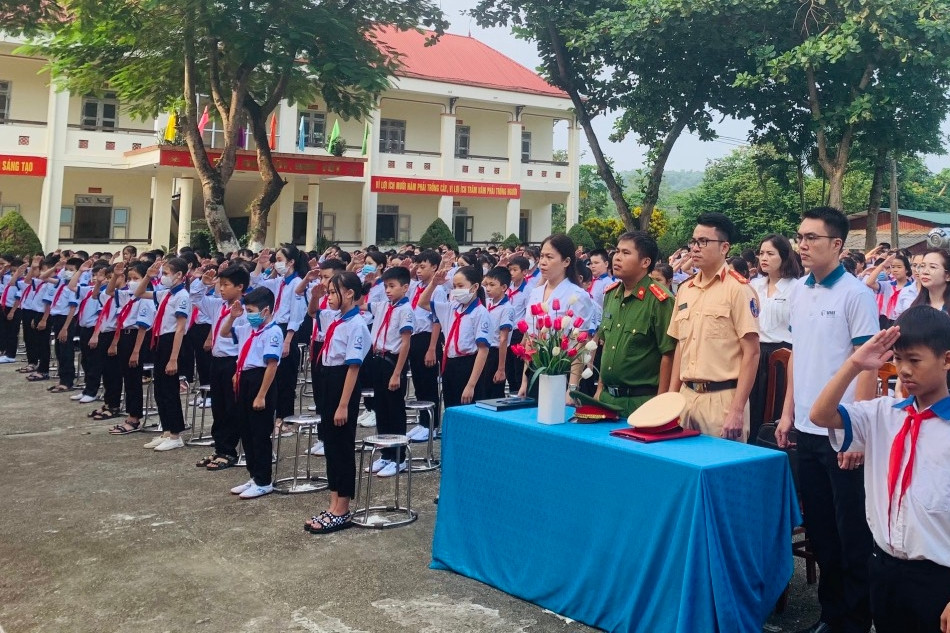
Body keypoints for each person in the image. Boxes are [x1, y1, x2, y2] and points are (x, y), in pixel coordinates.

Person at [808, 307, 950, 633]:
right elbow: (820, 415)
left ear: (946, 360)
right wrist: (855, 364)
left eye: (915, 361)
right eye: (898, 360)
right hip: (884, 567)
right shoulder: (881, 414)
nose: (903, 371)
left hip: (937, 577)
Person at [776, 206, 880, 633]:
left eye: (812, 238)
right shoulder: (799, 290)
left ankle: (854, 621)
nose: (802, 245)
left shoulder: (856, 295)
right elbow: (797, 357)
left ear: (837, 244)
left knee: (850, 533)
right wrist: (786, 414)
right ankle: (830, 614)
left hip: (841, 433)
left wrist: (856, 434)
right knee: (820, 530)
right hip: (806, 427)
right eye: (800, 236)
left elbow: (869, 366)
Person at [667, 213, 760, 442]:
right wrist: (671, 398)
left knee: (723, 474)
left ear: (724, 247)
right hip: (686, 397)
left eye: (704, 242)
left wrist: (737, 410)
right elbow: (680, 346)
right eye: (694, 242)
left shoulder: (738, 289)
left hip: (722, 401)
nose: (695, 248)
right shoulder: (685, 289)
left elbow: (752, 352)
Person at [304, 272, 370, 534]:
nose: (329, 296)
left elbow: (353, 367)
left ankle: (342, 508)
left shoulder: (357, 325)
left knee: (342, 446)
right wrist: (315, 296)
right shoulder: (336, 317)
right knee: (331, 444)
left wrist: (343, 405)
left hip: (344, 383)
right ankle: (333, 504)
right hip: (328, 379)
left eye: (333, 292)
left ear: (350, 294)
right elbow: (313, 313)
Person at [594, 231, 677, 417]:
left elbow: (668, 354)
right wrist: (600, 389)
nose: (617, 258)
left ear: (645, 262)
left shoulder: (660, 300)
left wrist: (661, 403)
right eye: (616, 251)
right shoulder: (611, 295)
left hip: (641, 403)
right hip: (608, 400)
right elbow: (607, 346)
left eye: (626, 253)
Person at [518, 234, 595, 399]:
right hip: (536, 371)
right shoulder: (536, 293)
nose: (542, 262)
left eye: (549, 257)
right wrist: (524, 381)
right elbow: (530, 340)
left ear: (566, 262)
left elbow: (579, 344)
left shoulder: (577, 295)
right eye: (542, 256)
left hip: (562, 372)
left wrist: (572, 387)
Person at [223, 287, 282, 499]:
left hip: (260, 380)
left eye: (252, 310)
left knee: (259, 433)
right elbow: (224, 333)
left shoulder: (273, 332)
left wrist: (261, 395)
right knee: (245, 431)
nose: (249, 315)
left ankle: (264, 480)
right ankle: (254, 475)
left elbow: (272, 366)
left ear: (266, 310)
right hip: (244, 378)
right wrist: (233, 317)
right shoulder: (249, 328)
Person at [191, 264, 249, 470]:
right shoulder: (218, 305)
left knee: (230, 406)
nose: (221, 289)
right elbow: (195, 298)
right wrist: (202, 283)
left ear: (240, 287)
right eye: (220, 284)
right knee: (218, 406)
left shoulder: (245, 310)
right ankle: (220, 447)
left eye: (226, 285)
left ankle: (229, 451)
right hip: (216, 360)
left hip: (233, 361)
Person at [748, 234, 801, 441]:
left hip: (784, 355)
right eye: (761, 253)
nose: (764, 258)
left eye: (770, 253)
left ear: (784, 256)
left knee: (775, 409)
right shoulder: (754, 285)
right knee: (753, 410)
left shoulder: (796, 287)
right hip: (756, 352)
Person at [135, 257, 191, 452]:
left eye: (166, 274)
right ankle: (166, 430)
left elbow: (180, 328)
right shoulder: (166, 294)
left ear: (179, 276)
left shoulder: (182, 296)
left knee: (169, 390)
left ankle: (175, 434)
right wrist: (148, 276)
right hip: (160, 340)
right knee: (159, 389)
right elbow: (139, 292)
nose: (163, 277)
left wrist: (174, 358)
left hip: (171, 343)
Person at [251, 245, 308, 437]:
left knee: (286, 377)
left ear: (291, 262)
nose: (277, 263)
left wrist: (288, 339)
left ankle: (286, 417)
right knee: (274, 375)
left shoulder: (297, 283)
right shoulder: (280, 282)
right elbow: (258, 283)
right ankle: (276, 415)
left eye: (280, 259)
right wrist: (261, 264)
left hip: (288, 331)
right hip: (275, 328)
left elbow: (296, 314)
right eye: (275, 259)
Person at [363, 266, 414, 478]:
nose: (388, 290)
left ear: (405, 287)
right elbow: (361, 303)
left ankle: (399, 457)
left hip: (393, 362)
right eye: (386, 286)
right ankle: (386, 453)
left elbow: (405, 344)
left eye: (392, 286)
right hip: (377, 359)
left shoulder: (406, 310)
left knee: (395, 410)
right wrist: (367, 283)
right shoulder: (383, 305)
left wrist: (397, 373)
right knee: (381, 408)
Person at [419, 265, 490, 408]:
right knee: (451, 408)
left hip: (469, 365)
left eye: (460, 286)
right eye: (454, 286)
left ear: (475, 287)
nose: (456, 290)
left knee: (468, 412)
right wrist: (433, 284)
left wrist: (471, 385)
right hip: (450, 364)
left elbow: (483, 350)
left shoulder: (480, 312)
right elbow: (422, 303)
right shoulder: (452, 307)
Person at [104, 261, 154, 434]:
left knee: (133, 379)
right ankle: (130, 415)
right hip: (124, 336)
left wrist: (136, 352)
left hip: (136, 339)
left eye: (137, 278)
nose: (133, 282)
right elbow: (110, 291)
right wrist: (117, 276)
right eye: (130, 278)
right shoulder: (127, 295)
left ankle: (134, 418)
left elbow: (142, 327)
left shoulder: (146, 299)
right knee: (127, 377)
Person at [405, 250, 444, 442]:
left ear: (435, 268)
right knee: (419, 383)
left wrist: (431, 348)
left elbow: (437, 320)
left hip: (428, 338)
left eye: (423, 266)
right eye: (417, 266)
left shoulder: (438, 290)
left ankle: (432, 425)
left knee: (428, 383)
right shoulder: (416, 286)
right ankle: (422, 422)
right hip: (414, 335)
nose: (418, 270)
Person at [41, 257, 82, 392]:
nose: (68, 272)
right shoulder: (61, 282)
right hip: (57, 318)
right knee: (59, 350)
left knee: (66, 351)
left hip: (67, 320)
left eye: (72, 270)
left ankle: (67, 381)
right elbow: (43, 277)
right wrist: (56, 267)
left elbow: (72, 308)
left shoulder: (75, 287)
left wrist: (65, 328)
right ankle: (62, 379)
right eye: (67, 269)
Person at [481, 266, 515, 399]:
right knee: (482, 392)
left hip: (495, 354)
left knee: (493, 394)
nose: (488, 288)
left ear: (504, 287)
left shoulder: (507, 308)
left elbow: (503, 339)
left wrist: (501, 368)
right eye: (487, 285)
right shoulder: (487, 302)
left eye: (492, 285)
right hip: (484, 351)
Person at [866, 252, 915, 327]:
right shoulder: (887, 285)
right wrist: (882, 265)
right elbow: (869, 282)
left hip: (903, 322)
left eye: (899, 267)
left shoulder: (912, 288)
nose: (895, 270)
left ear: (907, 269)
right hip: (885, 322)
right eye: (892, 267)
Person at [505, 255, 531, 394]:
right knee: (508, 367)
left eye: (515, 270)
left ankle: (519, 393)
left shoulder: (528, 290)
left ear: (524, 272)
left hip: (518, 333)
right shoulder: (507, 287)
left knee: (518, 369)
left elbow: (529, 315)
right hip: (506, 332)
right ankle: (512, 392)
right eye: (510, 270)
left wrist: (524, 338)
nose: (511, 273)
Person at [911, 248, 950, 313]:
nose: (925, 272)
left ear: (948, 276)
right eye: (922, 266)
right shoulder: (915, 307)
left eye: (933, 267)